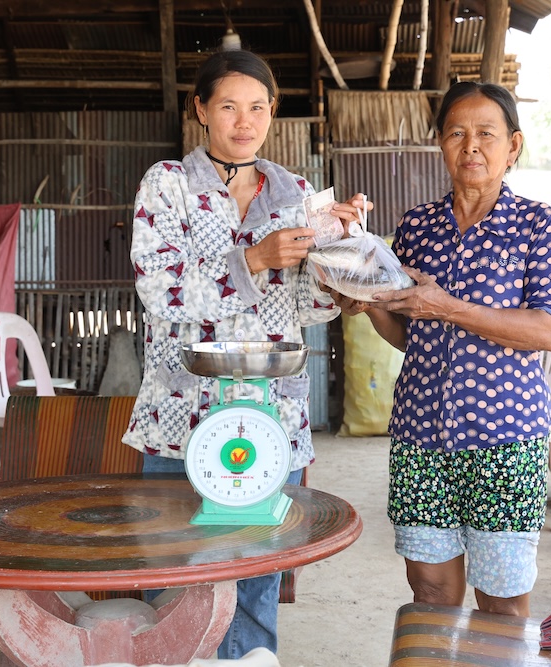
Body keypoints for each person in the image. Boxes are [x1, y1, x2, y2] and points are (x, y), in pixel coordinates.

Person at [121, 49, 369, 658]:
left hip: (271, 414)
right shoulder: (168, 184)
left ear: (272, 113)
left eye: (257, 107)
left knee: (258, 574)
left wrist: (346, 271)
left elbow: (307, 307)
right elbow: (160, 292)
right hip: (181, 414)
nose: (243, 121)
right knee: (175, 577)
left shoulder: (298, 193)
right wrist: (255, 257)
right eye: (228, 106)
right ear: (200, 109)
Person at [332, 81, 551, 617]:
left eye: (486, 134)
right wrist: (370, 303)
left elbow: (549, 330)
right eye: (457, 133)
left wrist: (449, 306)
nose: (471, 147)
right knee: (431, 595)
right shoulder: (418, 224)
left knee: (502, 605)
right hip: (420, 435)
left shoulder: (537, 224)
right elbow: (406, 332)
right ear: (439, 143)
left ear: (513, 146)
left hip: (504, 442)